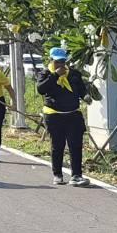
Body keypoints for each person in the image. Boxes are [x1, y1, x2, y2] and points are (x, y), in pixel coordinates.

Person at [37, 46, 91, 186]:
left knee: (75, 145)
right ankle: (58, 174)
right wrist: (55, 75)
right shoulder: (45, 74)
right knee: (57, 145)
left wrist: (85, 96)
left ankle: (77, 175)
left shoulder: (74, 74)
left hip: (73, 114)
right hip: (54, 115)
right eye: (57, 61)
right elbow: (41, 89)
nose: (60, 64)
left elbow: (81, 89)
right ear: (51, 60)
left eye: (62, 61)